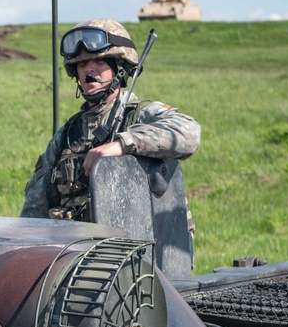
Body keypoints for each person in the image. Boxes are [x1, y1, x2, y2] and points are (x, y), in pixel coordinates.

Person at [21, 19, 200, 222]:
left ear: (120, 68)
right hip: (75, 248)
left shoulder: (139, 115)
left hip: (137, 247)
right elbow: (34, 211)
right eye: (81, 64)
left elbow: (189, 133)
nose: (89, 70)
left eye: (98, 62)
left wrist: (122, 145)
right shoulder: (66, 137)